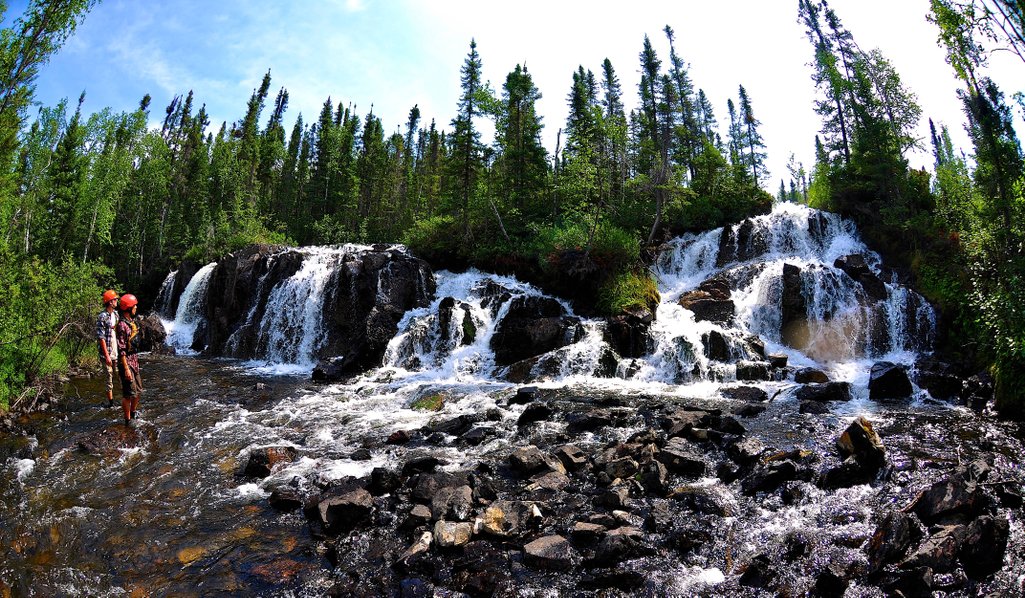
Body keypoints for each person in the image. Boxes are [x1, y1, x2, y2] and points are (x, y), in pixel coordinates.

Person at [116, 293, 143, 426]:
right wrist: (126, 368)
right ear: (128, 308)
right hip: (126, 363)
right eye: (134, 306)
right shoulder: (122, 325)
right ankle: (127, 420)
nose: (136, 307)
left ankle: (133, 412)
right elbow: (121, 349)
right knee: (128, 394)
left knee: (138, 392)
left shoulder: (131, 322)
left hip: (134, 361)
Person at [96, 290, 119, 408]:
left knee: (120, 377)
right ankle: (111, 404)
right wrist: (107, 356)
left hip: (116, 352)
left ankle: (121, 399)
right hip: (107, 354)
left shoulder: (116, 314)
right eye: (115, 299)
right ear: (110, 302)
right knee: (109, 379)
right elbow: (101, 338)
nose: (117, 301)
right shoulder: (102, 317)